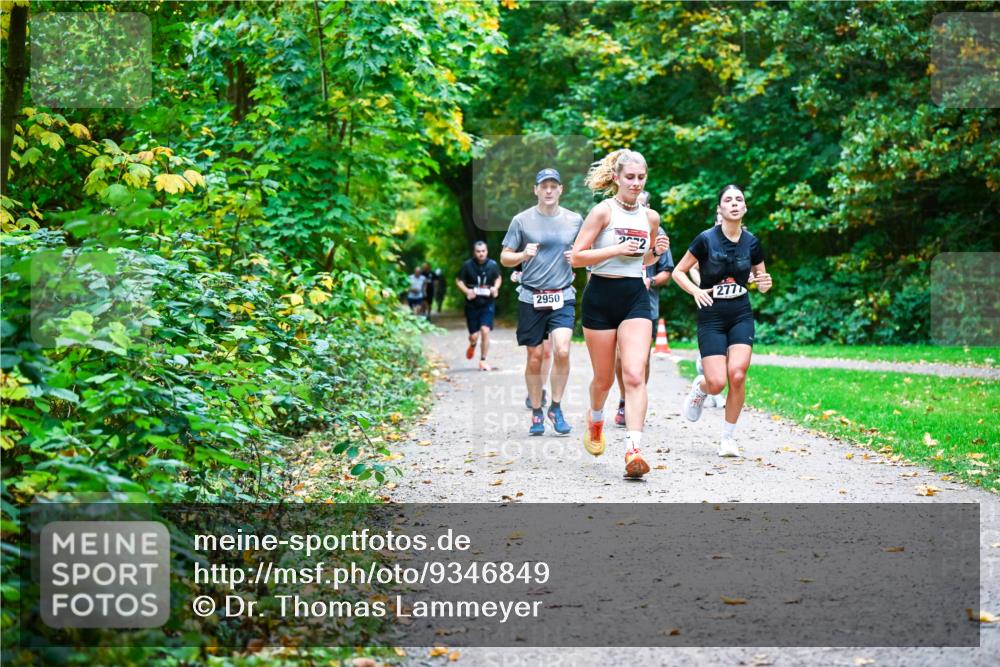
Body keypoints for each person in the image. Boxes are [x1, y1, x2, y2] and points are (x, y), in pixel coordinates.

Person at [570, 150, 669, 478]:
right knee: (604, 378)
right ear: (616, 177)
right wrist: (614, 248)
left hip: (634, 297)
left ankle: (633, 449)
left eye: (641, 178)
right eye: (630, 177)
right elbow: (576, 257)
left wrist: (655, 252)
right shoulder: (602, 211)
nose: (637, 183)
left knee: (634, 374)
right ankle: (596, 420)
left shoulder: (650, 218)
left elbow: (642, 262)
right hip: (600, 296)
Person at [672, 184, 773, 457]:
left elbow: (761, 282)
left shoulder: (752, 242)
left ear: (745, 207)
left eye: (739, 199)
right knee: (716, 382)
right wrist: (695, 291)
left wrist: (765, 283)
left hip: (740, 313)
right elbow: (678, 272)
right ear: (720, 209)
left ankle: (728, 438)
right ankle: (700, 387)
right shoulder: (705, 239)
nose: (734, 203)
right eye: (728, 200)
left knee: (737, 375)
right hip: (712, 316)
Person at [501, 168, 582, 436]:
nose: (548, 190)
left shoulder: (574, 220)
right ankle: (536, 410)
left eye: (553, 186)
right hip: (531, 296)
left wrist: (578, 259)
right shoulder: (521, 220)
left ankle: (555, 407)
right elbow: (504, 258)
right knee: (535, 358)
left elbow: (586, 253)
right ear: (535, 190)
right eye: (543, 186)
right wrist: (523, 254)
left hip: (562, 295)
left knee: (562, 350)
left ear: (561, 190)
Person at [613, 191, 674, 427]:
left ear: (648, 207)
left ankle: (637, 398)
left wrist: (652, 281)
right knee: (620, 356)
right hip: (618, 298)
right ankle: (623, 399)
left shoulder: (658, 233)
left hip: (646, 303)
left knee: (643, 360)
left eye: (641, 203)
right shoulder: (616, 228)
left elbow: (667, 270)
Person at [456, 241, 502, 371]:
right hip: (472, 305)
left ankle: (483, 360)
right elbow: (459, 280)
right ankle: (472, 344)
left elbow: (498, 278)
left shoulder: (492, 265)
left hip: (487, 303)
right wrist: (467, 291)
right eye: (478, 251)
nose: (481, 254)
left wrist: (495, 288)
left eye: (483, 251)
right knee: (474, 336)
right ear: (474, 252)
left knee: (485, 330)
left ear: (486, 252)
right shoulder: (467, 265)